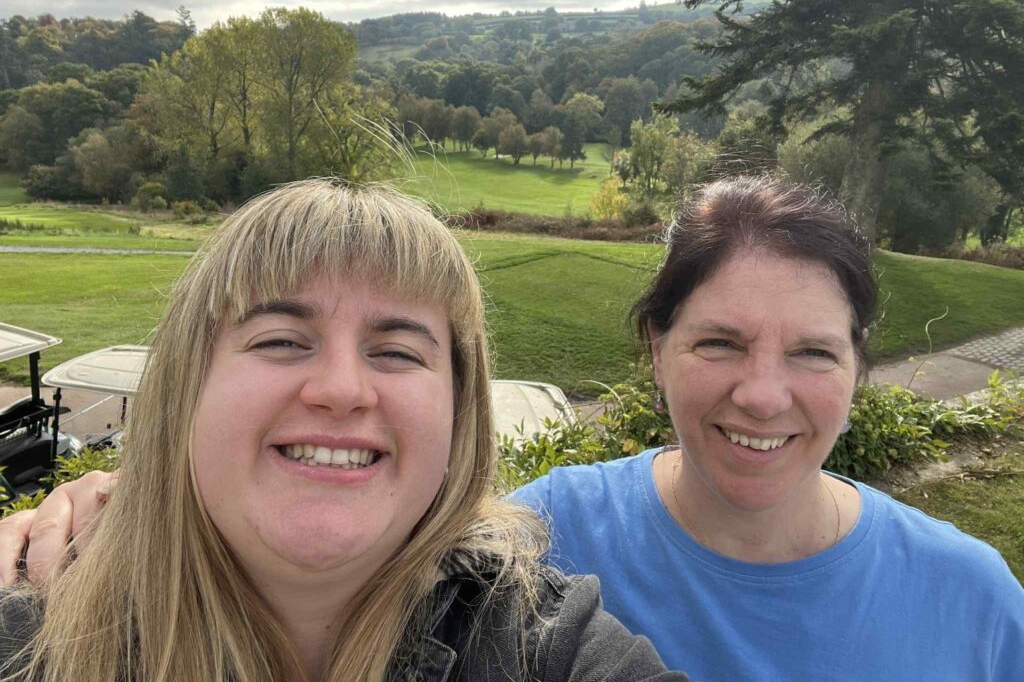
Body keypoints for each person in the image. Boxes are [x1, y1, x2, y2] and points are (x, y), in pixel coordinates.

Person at [7, 177, 1024, 680]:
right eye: (719, 343)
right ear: (654, 352)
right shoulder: (538, 534)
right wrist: (123, 497)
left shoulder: (975, 598)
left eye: (813, 352)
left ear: (857, 368)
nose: (763, 395)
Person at [0, 180, 683, 682]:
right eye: (280, 340)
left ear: (458, 412)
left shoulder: (551, 652)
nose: (340, 390)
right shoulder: (29, 632)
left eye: (397, 352)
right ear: (189, 388)